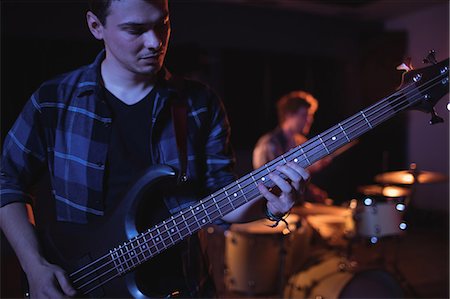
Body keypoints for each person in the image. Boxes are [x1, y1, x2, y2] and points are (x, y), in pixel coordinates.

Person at [0, 0, 310, 298]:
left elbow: (220, 204)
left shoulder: (200, 105)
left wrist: (269, 205)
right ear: (96, 26)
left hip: (183, 286)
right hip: (82, 284)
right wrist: (34, 265)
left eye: (163, 25)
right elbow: (6, 181)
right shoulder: (55, 99)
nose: (155, 42)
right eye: (135, 30)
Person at [253, 90, 331, 203]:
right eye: (305, 115)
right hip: (274, 206)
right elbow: (268, 184)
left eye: (310, 116)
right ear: (289, 115)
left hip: (295, 204)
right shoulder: (268, 144)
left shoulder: (300, 141)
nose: (310, 120)